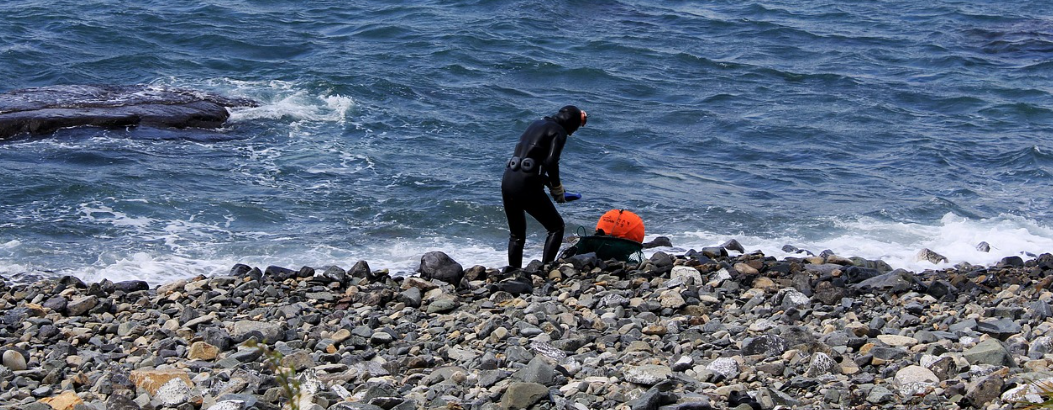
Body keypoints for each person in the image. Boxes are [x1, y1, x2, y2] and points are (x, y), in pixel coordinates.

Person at [501, 105, 587, 270]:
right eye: (576, 127)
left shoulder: (536, 123)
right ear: (571, 122)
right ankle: (546, 269)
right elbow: (551, 162)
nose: (574, 131)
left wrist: (549, 185)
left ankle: (512, 273)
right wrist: (556, 188)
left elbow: (529, 163)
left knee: (517, 235)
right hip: (526, 183)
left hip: (509, 179)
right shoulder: (559, 131)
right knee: (556, 227)